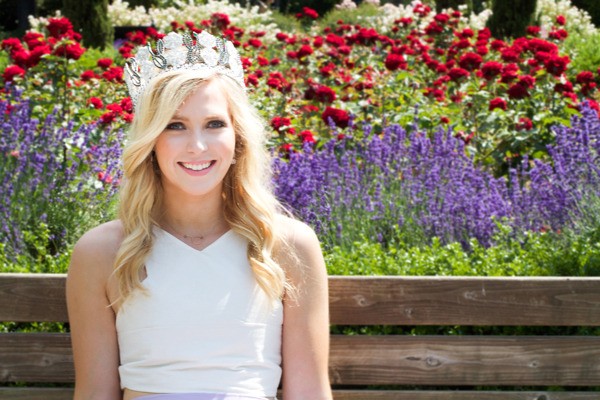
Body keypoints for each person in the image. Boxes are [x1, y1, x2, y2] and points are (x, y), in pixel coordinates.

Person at [66, 30, 332, 400]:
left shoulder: (287, 245)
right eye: (175, 126)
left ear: (238, 137)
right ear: (150, 141)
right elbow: (94, 393)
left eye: (214, 124)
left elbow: (310, 393)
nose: (197, 146)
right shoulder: (102, 252)